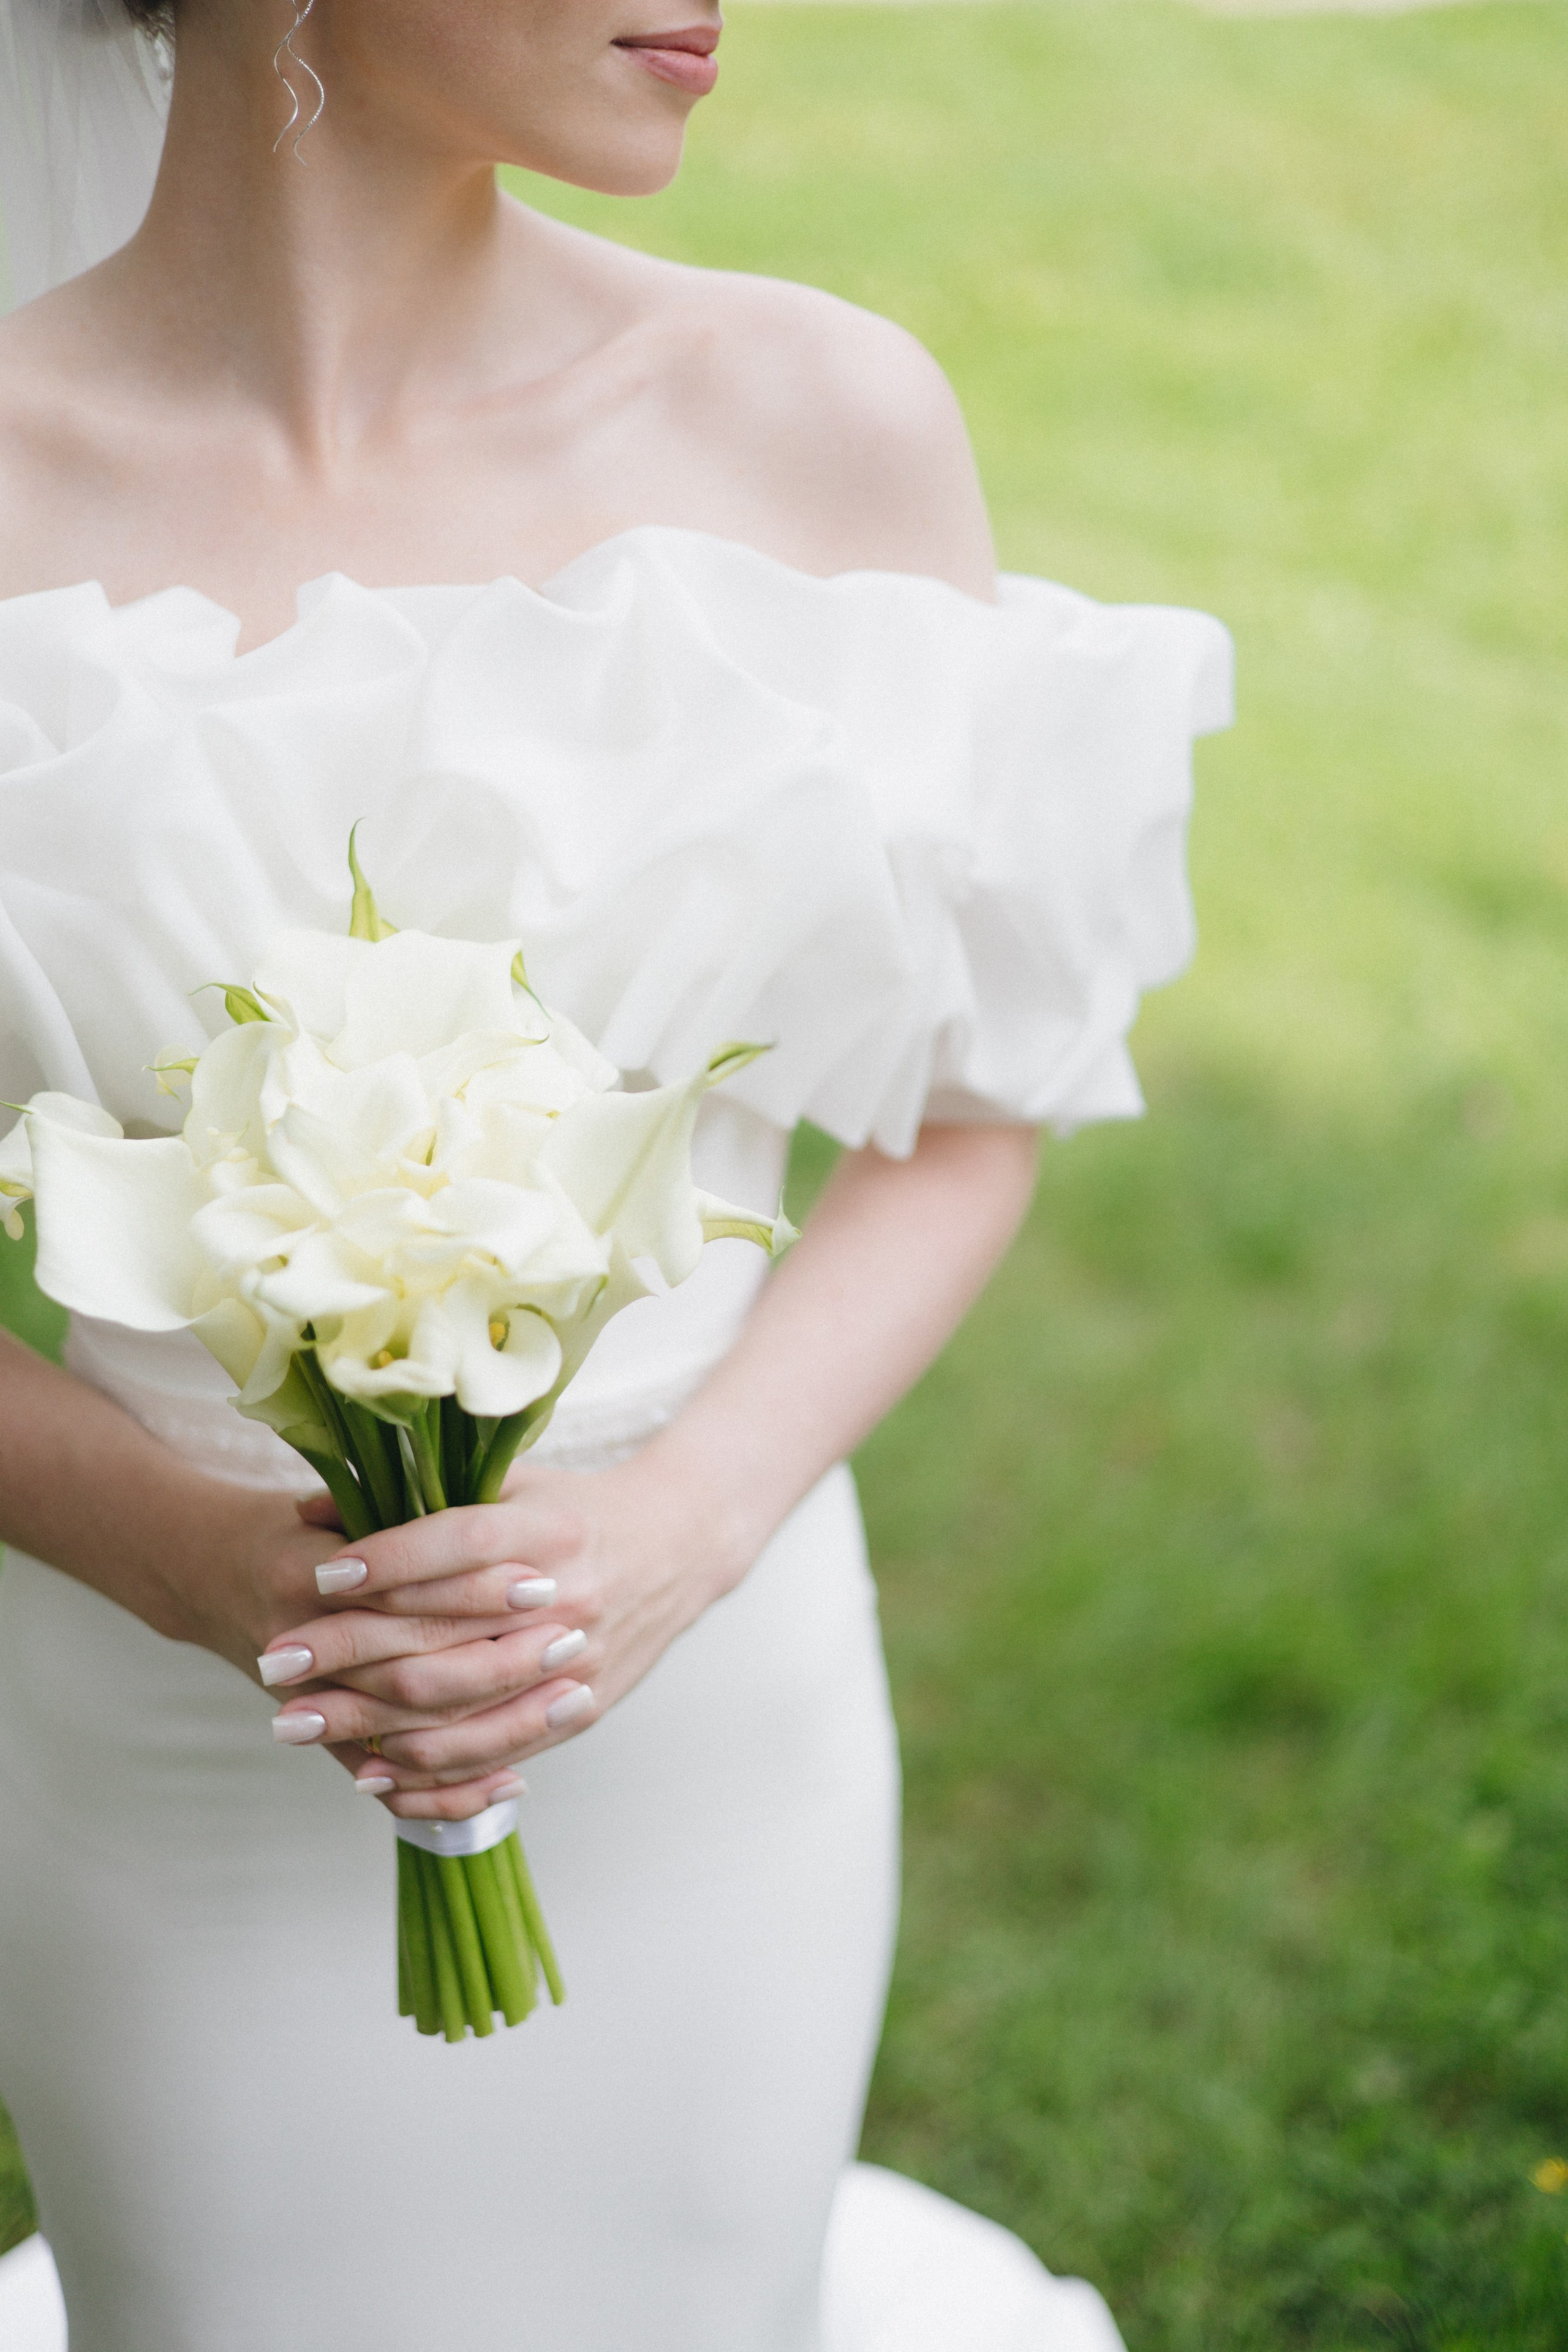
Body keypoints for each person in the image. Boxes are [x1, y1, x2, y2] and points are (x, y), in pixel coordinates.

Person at [0, 4, 1230, 2347]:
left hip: (706, 1698)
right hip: (161, 1743)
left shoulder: (816, 422)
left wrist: (685, 1528)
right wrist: (180, 1555)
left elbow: (978, 1108)